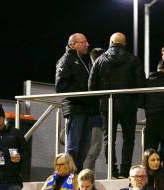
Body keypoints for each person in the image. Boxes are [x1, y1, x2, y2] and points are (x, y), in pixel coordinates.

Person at [89, 32, 145, 178]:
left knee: (109, 138)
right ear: (124, 44)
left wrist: (101, 99)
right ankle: (125, 170)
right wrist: (136, 102)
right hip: (128, 105)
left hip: (107, 105)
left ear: (110, 42)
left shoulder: (100, 60)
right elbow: (141, 83)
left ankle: (111, 171)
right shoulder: (133, 59)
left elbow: (91, 85)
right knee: (129, 138)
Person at [55, 33, 95, 171]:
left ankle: (77, 173)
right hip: (75, 109)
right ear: (73, 44)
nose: (87, 44)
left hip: (87, 109)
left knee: (85, 146)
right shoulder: (66, 60)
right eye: (83, 42)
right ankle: (69, 175)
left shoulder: (86, 60)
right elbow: (60, 86)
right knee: (73, 146)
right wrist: (82, 96)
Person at [83, 47, 107, 172]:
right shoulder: (96, 72)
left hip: (93, 114)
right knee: (94, 149)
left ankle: (87, 177)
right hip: (94, 115)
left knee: (93, 149)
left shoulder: (89, 70)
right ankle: (85, 177)